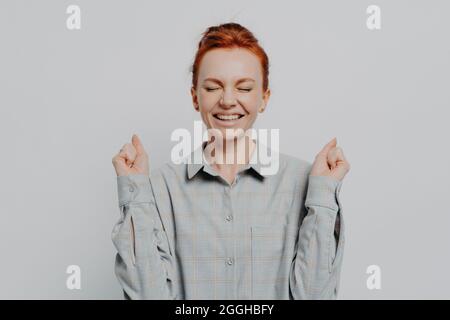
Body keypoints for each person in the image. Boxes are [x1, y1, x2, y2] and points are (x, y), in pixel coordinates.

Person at [111, 22, 350, 300]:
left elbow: (314, 296)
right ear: (195, 98)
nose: (227, 100)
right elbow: (147, 295)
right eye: (213, 87)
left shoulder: (304, 181)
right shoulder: (158, 188)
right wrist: (134, 192)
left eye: (244, 88)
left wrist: (323, 194)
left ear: (264, 98)